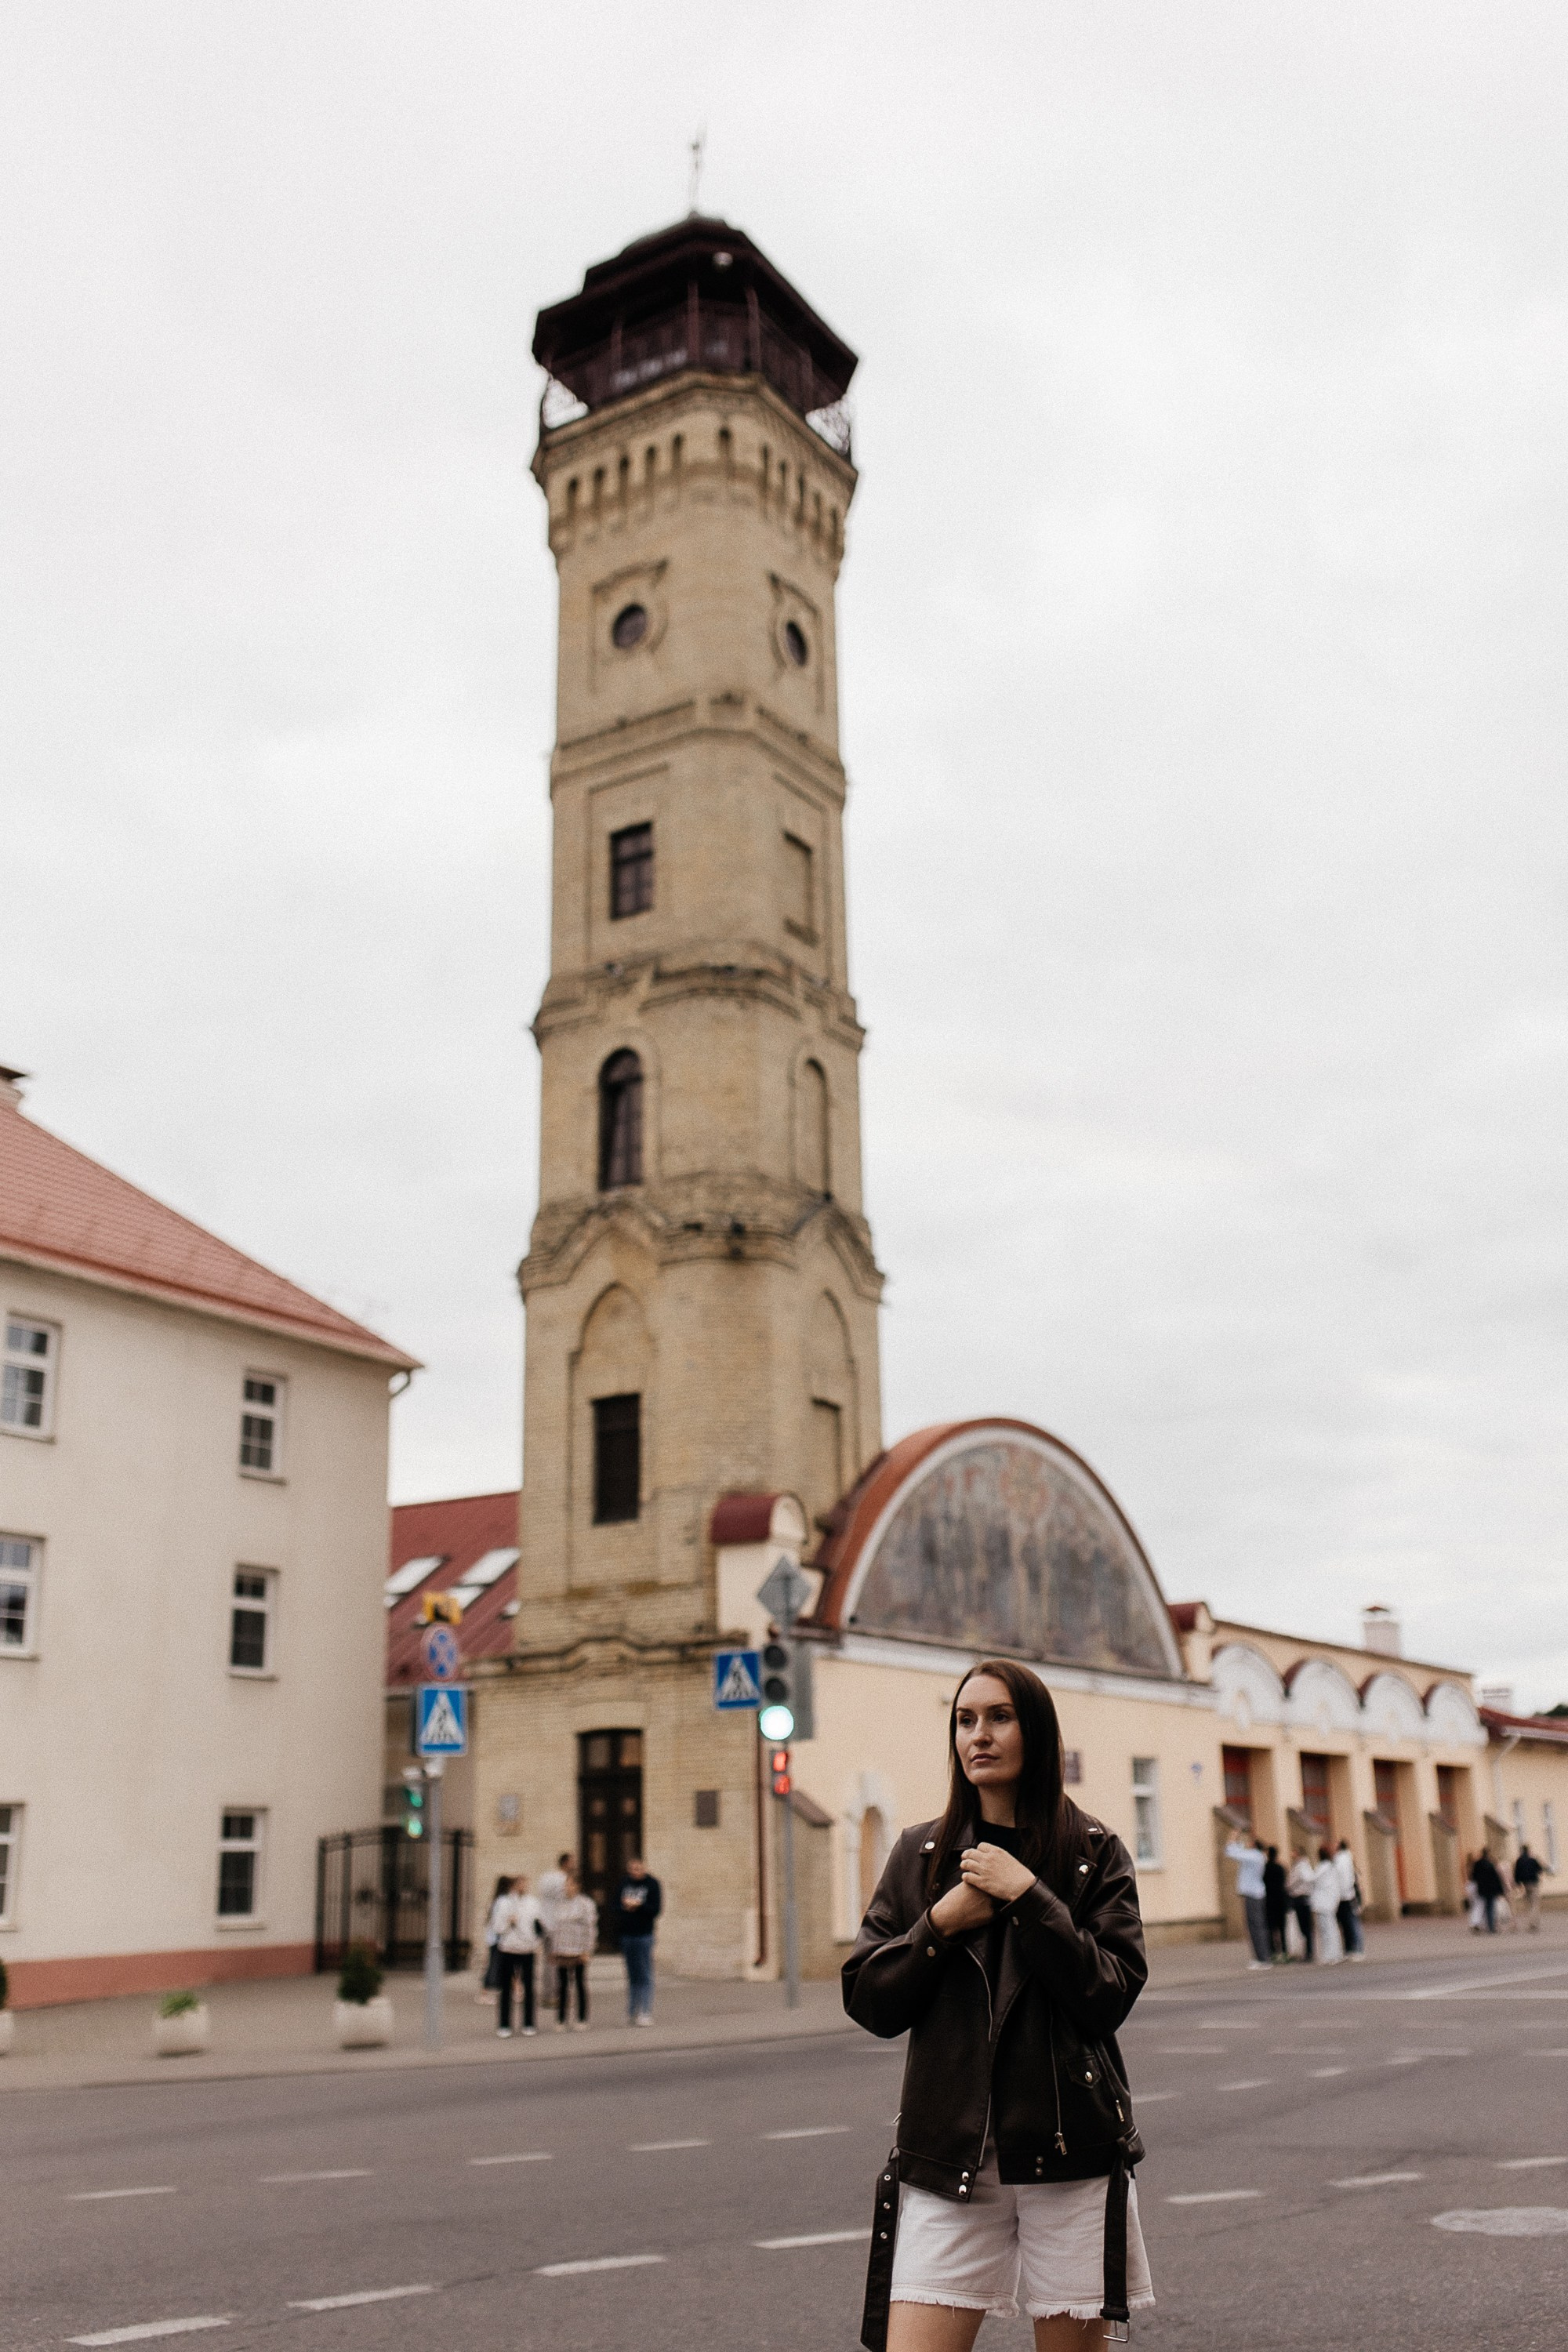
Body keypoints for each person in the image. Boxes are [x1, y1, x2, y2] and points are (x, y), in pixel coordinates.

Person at [844, 1656, 1153, 2350]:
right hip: (949, 2157)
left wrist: (1028, 1897)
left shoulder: (1092, 1852)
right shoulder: (920, 1854)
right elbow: (869, 1999)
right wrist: (940, 1924)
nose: (978, 1735)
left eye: (999, 1718)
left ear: (1035, 1732)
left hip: (1069, 2155)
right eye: (965, 1720)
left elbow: (1108, 1994)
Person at [494, 1872, 545, 2035]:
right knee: (506, 1987)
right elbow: (497, 1927)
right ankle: (504, 2025)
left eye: (525, 1884)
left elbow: (539, 1926)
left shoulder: (533, 1903)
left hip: (527, 1949)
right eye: (519, 1884)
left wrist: (536, 1942)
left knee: (529, 1987)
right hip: (508, 1948)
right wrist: (508, 1922)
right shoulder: (504, 1903)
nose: (522, 1887)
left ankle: (529, 2023)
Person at [613, 1856, 662, 2024]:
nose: (635, 1872)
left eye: (638, 1869)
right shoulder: (624, 1883)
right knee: (632, 1975)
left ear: (644, 1868)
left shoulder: (652, 1884)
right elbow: (615, 1906)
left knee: (645, 1974)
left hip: (644, 1935)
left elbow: (656, 1909)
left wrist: (639, 1905)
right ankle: (632, 2011)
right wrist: (625, 1906)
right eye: (632, 1869)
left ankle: (645, 2012)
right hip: (627, 1934)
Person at [549, 1868, 598, 2030]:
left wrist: (588, 1950)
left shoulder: (585, 1904)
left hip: (578, 1949)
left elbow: (590, 1929)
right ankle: (561, 2019)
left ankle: (582, 2018)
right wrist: (553, 1950)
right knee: (562, 1985)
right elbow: (555, 1928)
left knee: (579, 1983)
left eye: (570, 1884)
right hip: (562, 1949)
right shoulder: (559, 1904)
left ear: (577, 1886)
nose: (567, 1888)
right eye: (566, 1885)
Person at [1223, 1831, 1272, 1969]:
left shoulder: (1254, 1856)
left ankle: (1263, 1959)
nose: (1248, 1844)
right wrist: (1236, 1840)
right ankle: (1260, 1957)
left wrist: (1233, 1837)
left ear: (1254, 1845)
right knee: (1254, 1927)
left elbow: (1231, 1852)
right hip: (1254, 1894)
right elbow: (1237, 1851)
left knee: (1256, 1927)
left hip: (1253, 1895)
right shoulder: (1256, 1856)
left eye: (1250, 1843)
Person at [478, 1872, 513, 2005]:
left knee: (504, 1965)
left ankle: (515, 1989)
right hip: (498, 1939)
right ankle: (484, 1992)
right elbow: (499, 1922)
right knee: (493, 1966)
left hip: (495, 1938)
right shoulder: (502, 1901)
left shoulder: (497, 1900)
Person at [1333, 1838, 1366, 1959]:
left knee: (1350, 1922)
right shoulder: (1347, 1857)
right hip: (1347, 1894)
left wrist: (1340, 1894)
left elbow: (1343, 1878)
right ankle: (1350, 1949)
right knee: (1347, 1923)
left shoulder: (1342, 1859)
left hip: (1346, 1896)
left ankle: (1356, 1949)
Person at [1309, 1847, 1344, 1963]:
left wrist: (1304, 1868)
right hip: (1329, 1902)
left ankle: (1330, 1955)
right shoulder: (1331, 1866)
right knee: (1331, 1929)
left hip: (1324, 1903)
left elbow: (1312, 1878)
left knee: (1326, 1930)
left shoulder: (1323, 1867)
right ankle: (1335, 1954)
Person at [536, 1851, 573, 1948]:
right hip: (558, 1921)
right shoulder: (564, 1879)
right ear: (566, 1863)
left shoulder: (546, 1877)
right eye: (572, 1862)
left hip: (546, 1919)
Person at [1286, 1849, 1316, 1958]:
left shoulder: (1302, 1866)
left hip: (1301, 1898)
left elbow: (1306, 1878)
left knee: (1305, 1927)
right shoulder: (1301, 1865)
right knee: (1303, 1927)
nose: (1292, 1854)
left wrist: (1290, 1885)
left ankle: (1309, 1951)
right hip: (1301, 1898)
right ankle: (1307, 1951)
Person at [1262, 1845, 1289, 1962]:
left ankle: (1273, 1952)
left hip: (1269, 1901)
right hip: (1281, 1901)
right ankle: (1284, 1952)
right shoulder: (1280, 1868)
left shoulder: (1265, 1868)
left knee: (1270, 1928)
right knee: (1282, 1928)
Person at [1471, 1847, 1504, 1934]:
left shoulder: (1478, 1864)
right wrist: (1500, 1890)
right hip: (1491, 1890)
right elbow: (1496, 1878)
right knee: (1490, 1907)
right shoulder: (1491, 1864)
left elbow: (1474, 1876)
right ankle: (1491, 1926)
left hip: (1482, 1889)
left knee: (1482, 1907)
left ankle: (1481, 1924)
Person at [1513, 1842, 1544, 1931]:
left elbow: (1516, 1873)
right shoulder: (1533, 1860)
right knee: (1534, 1904)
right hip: (1534, 1883)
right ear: (1528, 1850)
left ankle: (1531, 1922)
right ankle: (1534, 1923)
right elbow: (1540, 1869)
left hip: (1525, 1884)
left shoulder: (1519, 1861)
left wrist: (1518, 1884)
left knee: (1529, 1904)